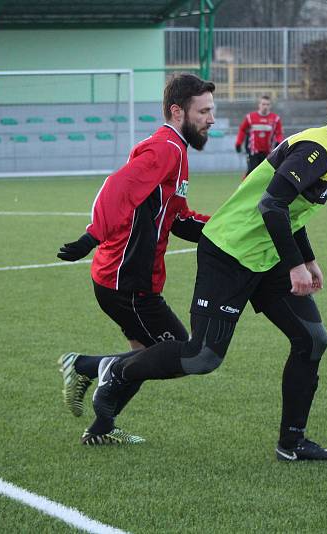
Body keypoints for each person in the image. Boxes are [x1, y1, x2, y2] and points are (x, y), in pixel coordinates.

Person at [70, 81, 327, 461]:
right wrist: (295, 266)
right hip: (229, 254)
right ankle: (115, 370)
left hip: (262, 256)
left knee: (313, 339)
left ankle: (292, 443)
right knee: (202, 357)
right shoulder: (316, 150)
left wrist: (308, 259)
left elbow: (291, 211)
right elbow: (272, 206)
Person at [56, 73, 216, 445]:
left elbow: (177, 218)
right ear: (178, 112)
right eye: (204, 111)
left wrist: (225, 229)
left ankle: (99, 429)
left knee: (145, 358)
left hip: (122, 279)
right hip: (127, 282)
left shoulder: (176, 150)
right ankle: (89, 366)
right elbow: (118, 186)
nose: (211, 119)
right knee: (188, 355)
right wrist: (91, 235)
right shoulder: (167, 149)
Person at [235, 94, 284, 178]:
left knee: (267, 175)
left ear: (270, 106)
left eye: (267, 104)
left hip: (268, 152)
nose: (265, 106)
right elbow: (242, 130)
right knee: (252, 172)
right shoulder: (250, 117)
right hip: (253, 152)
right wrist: (238, 143)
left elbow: (279, 133)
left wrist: (279, 143)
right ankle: (245, 189)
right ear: (259, 105)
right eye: (263, 104)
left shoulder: (275, 119)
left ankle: (264, 191)